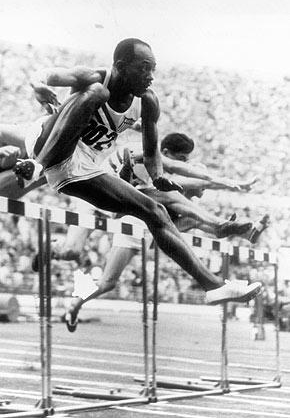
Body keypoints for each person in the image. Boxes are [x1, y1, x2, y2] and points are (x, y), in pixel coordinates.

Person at [13, 37, 261, 309]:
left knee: (154, 211)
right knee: (97, 93)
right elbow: (45, 75)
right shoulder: (96, 77)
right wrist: (38, 86)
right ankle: (36, 166)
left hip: (86, 165)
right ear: (120, 66)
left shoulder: (148, 102)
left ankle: (213, 287)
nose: (150, 76)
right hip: (48, 143)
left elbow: (153, 150)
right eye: (144, 68)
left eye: (153, 68)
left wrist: (157, 177)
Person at [63, 133, 266, 331]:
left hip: (131, 215)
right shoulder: (146, 154)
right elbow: (196, 178)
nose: (183, 165)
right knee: (70, 252)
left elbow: (194, 180)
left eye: (187, 161)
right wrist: (230, 183)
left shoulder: (160, 178)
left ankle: (75, 304)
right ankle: (220, 227)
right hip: (95, 199)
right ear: (166, 152)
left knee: (107, 283)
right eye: (182, 159)